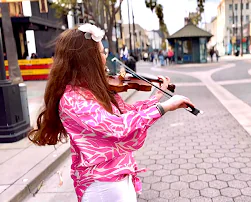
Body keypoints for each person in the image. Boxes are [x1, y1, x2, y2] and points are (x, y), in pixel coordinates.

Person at [28, 24, 195, 202]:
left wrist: (157, 96)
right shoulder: (73, 100)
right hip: (103, 186)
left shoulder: (89, 91)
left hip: (117, 179)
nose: (105, 56)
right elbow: (119, 127)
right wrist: (164, 107)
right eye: (102, 52)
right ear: (88, 59)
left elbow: (125, 113)